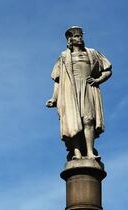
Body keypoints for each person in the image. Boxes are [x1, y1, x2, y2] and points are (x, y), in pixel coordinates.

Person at [46, 26, 112, 160]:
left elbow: (107, 70)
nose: (79, 38)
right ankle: (77, 153)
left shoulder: (92, 53)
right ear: (70, 39)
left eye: (81, 35)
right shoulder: (64, 57)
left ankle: (90, 152)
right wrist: (54, 98)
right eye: (76, 36)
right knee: (73, 122)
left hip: (88, 88)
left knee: (88, 120)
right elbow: (58, 80)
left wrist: (98, 80)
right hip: (70, 92)